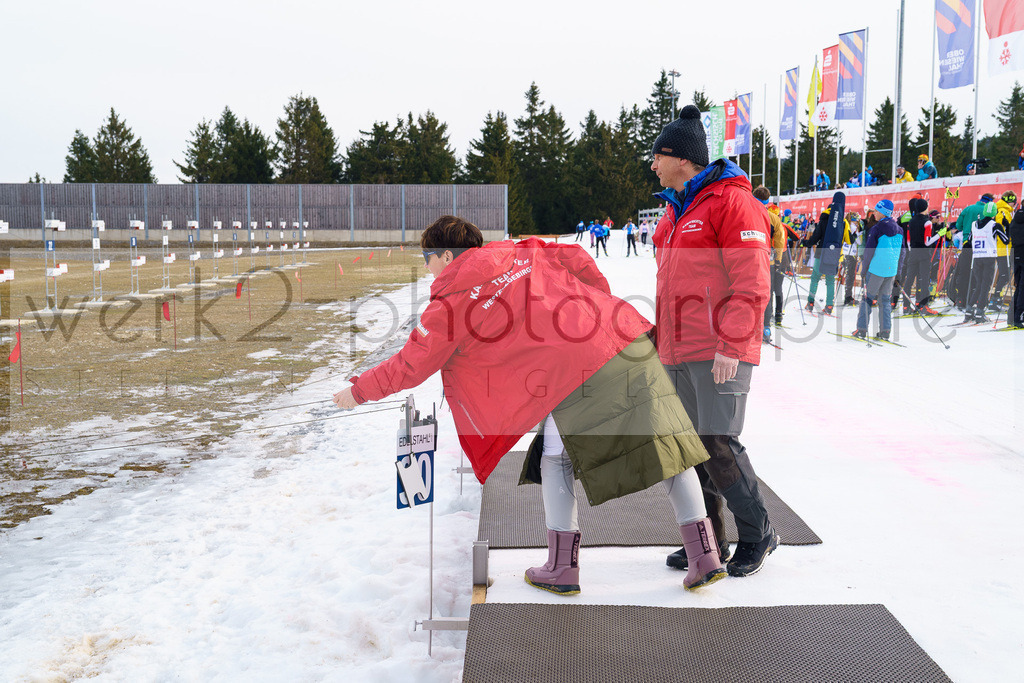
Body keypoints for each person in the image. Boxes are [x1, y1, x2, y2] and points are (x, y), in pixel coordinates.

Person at [333, 215, 726, 594]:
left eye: (428, 259)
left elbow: (410, 363)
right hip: (622, 340)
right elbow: (579, 260)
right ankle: (705, 556)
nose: (428, 269)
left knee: (555, 460)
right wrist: (596, 307)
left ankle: (562, 566)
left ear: (447, 256)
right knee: (668, 447)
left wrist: (358, 391)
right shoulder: (524, 250)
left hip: (572, 371)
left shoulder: (451, 301)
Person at [650, 105, 778, 578]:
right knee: (688, 447)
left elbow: (751, 282)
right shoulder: (675, 207)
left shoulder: (732, 202)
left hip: (719, 348)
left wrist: (732, 343)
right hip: (677, 348)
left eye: (657, 156)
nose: (653, 165)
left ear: (681, 158)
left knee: (718, 443)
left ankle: (758, 533)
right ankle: (707, 542)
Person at [853, 200, 905, 340]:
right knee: (885, 300)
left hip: (876, 269)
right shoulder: (900, 230)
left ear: (883, 213)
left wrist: (863, 270)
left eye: (876, 211)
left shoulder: (876, 229)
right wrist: (898, 271)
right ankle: (885, 331)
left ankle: (862, 329)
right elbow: (902, 252)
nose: (874, 213)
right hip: (891, 270)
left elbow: (869, 252)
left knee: (867, 299)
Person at [962, 202, 1009, 323]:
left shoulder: (974, 224)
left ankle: (969, 311)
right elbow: (1006, 240)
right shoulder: (995, 225)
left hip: (977, 258)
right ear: (994, 213)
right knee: (985, 286)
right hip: (988, 258)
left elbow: (970, 240)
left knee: (978, 285)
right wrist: (1006, 226)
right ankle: (980, 313)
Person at [801, 193, 847, 316]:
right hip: (834, 253)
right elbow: (847, 239)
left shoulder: (823, 220)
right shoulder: (842, 221)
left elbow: (815, 237)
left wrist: (805, 243)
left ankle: (810, 303)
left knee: (815, 278)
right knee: (830, 280)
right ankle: (829, 305)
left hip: (821, 251)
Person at [753, 186, 785, 340]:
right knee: (767, 293)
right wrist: (778, 260)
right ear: (767, 201)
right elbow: (780, 242)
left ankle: (749, 326)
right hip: (768, 260)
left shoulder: (746, 212)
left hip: (749, 259)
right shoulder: (773, 218)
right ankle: (766, 327)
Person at [901, 198, 944, 314]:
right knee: (924, 280)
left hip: (913, 252)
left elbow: (908, 241)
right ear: (926, 208)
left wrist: (913, 251)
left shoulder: (912, 221)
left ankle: (906, 306)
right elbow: (927, 241)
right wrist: (940, 234)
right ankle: (923, 306)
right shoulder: (927, 222)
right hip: (924, 253)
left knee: (909, 280)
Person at [953, 194, 993, 309]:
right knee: (978, 275)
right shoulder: (987, 211)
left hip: (967, 245)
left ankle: (961, 299)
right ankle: (974, 300)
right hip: (981, 247)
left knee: (964, 272)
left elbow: (958, 225)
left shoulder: (968, 208)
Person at [989, 191, 1016, 311]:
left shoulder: (1005, 210)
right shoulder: (1003, 211)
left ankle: (996, 298)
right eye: (1014, 202)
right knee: (1004, 275)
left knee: (1005, 274)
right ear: (1009, 201)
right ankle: (995, 299)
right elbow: (1000, 229)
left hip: (1004, 248)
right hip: (1003, 248)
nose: (1014, 205)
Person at [841, 212, 864, 306]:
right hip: (851, 254)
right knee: (850, 276)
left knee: (848, 275)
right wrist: (860, 233)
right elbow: (859, 241)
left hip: (844, 253)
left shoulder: (845, 225)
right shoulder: (854, 228)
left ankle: (848, 296)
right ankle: (848, 297)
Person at [1010, 208, 1024, 328]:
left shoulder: (1014, 221)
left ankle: (1012, 315)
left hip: (1016, 256)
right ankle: (1018, 317)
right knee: (1022, 288)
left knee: (1019, 286)